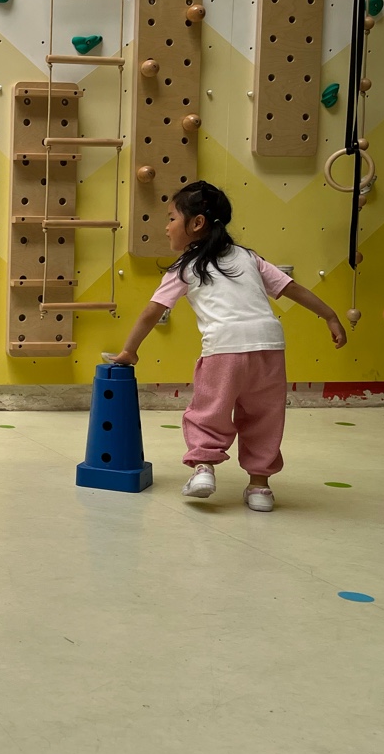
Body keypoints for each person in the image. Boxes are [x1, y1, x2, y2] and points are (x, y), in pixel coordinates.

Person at [111, 181, 346, 511]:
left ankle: (204, 469)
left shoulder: (186, 267)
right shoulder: (248, 257)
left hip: (225, 348)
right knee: (264, 416)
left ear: (197, 223)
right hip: (269, 347)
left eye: (172, 218)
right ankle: (260, 487)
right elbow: (292, 289)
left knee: (209, 412)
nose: (166, 226)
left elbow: (153, 311)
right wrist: (330, 315)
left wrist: (130, 350)